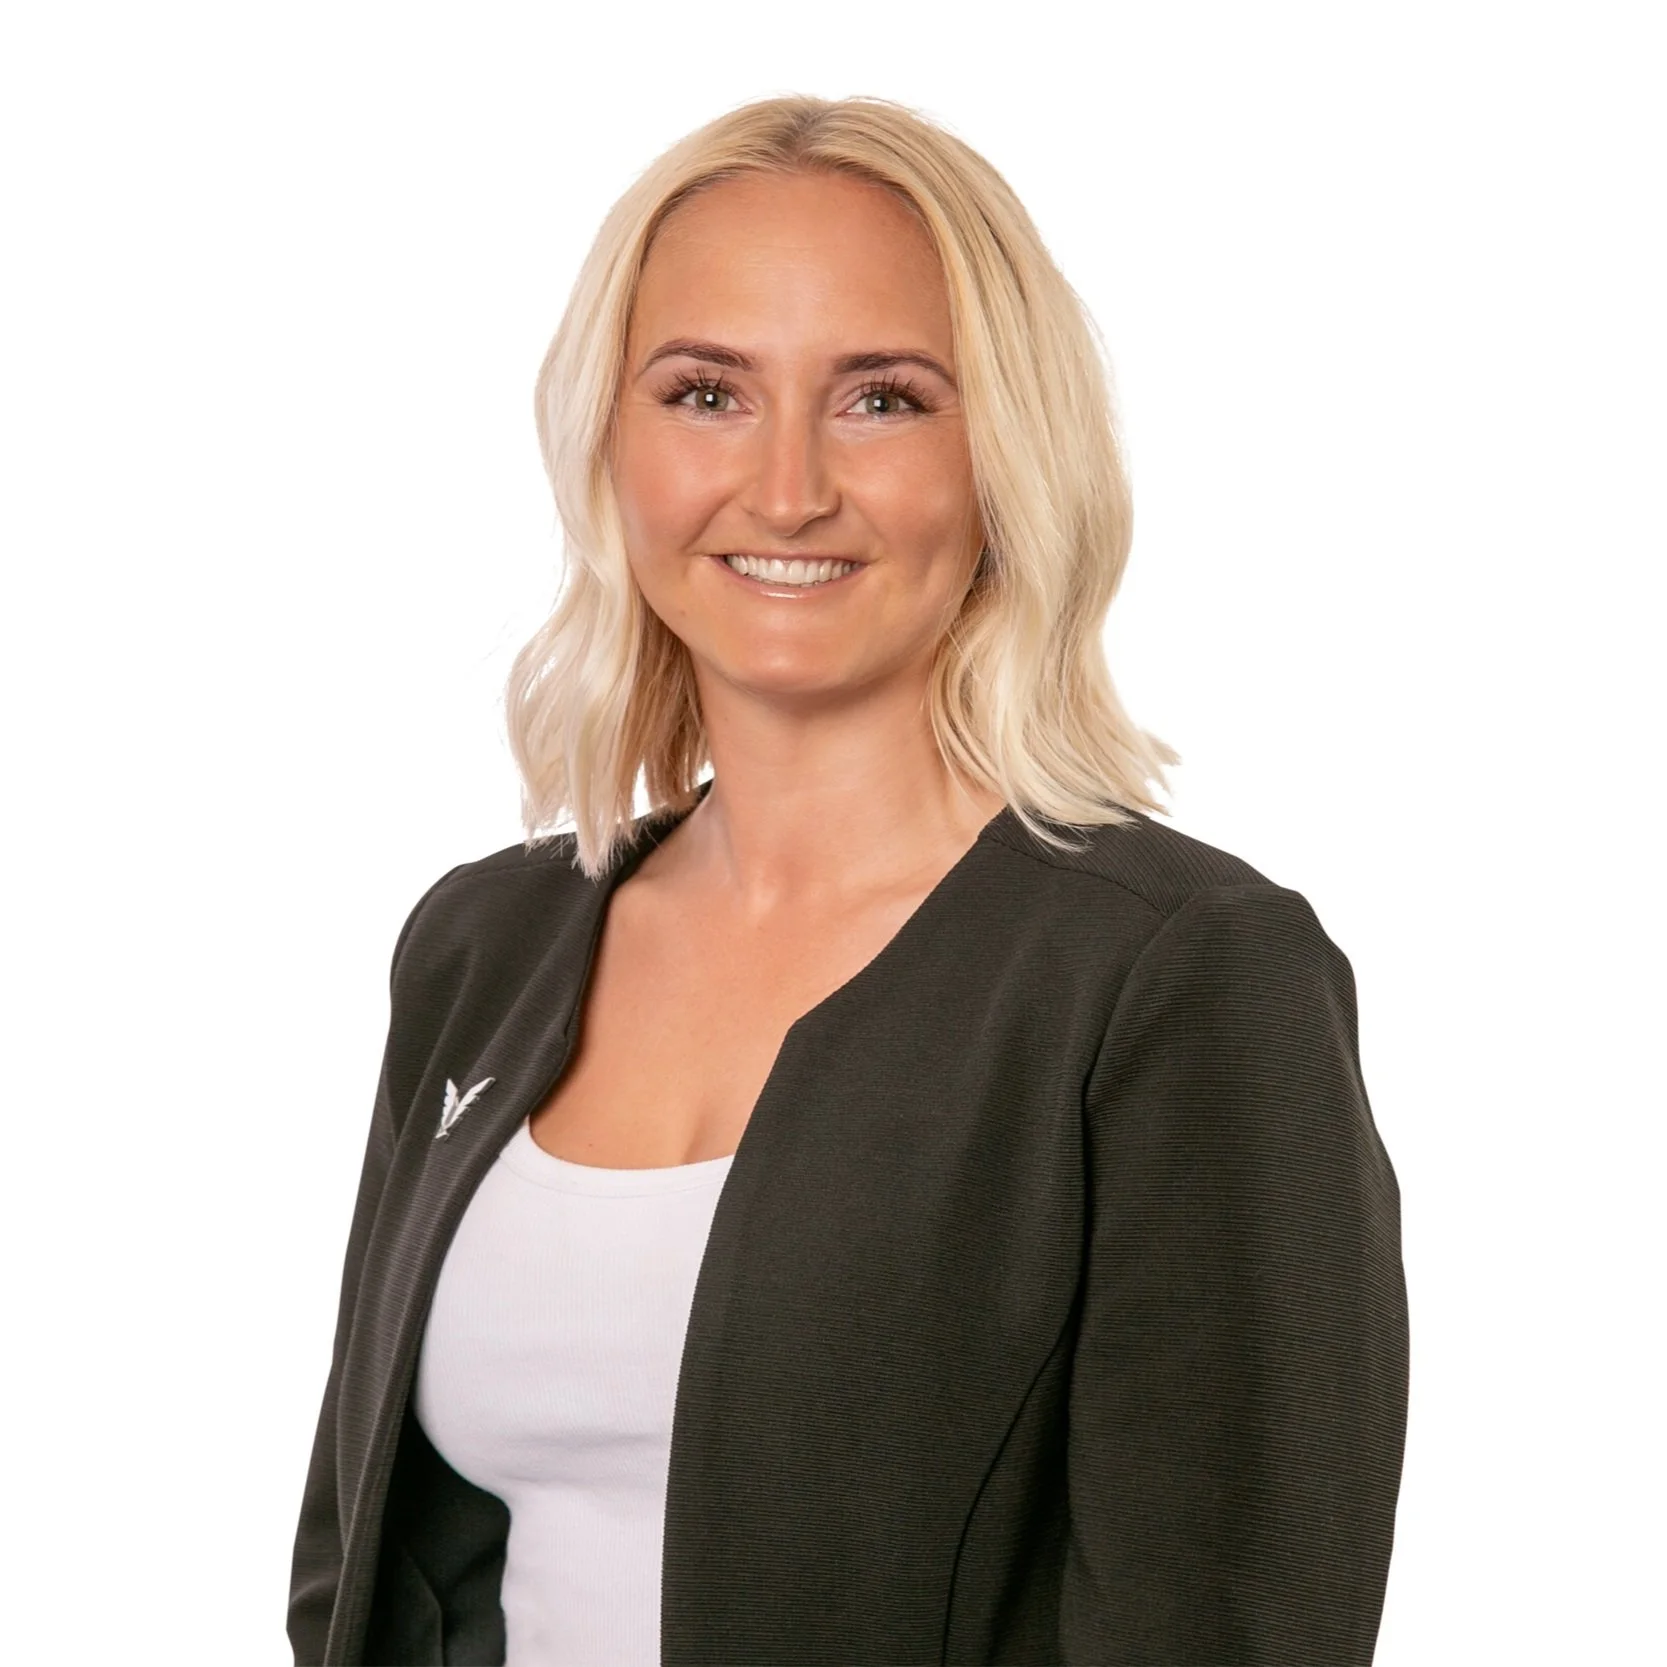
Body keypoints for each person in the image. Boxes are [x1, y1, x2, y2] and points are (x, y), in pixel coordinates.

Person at [288, 93, 1408, 1667]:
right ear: (610, 443)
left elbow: (1229, 1629)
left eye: (881, 399)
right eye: (704, 393)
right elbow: (365, 1576)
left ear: (1002, 451)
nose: (789, 486)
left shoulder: (1179, 975)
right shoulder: (484, 945)